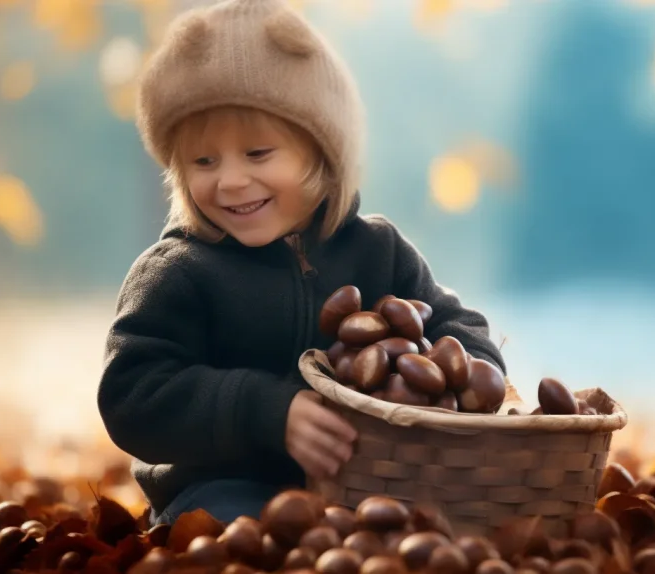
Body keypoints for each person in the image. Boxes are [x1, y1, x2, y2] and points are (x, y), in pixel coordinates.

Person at [96, 0, 507, 527]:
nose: (231, 181)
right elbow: (134, 393)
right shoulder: (177, 272)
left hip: (366, 484)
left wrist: (474, 377)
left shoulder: (377, 251)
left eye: (258, 153)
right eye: (204, 161)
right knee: (246, 535)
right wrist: (267, 411)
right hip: (222, 490)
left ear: (322, 153)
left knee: (420, 536)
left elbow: (457, 327)